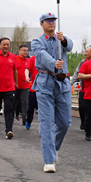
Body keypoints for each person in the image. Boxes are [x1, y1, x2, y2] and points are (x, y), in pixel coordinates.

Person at [31, 12, 73, 173]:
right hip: (45, 84)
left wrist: (63, 39)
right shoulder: (37, 42)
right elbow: (41, 55)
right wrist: (54, 63)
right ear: (41, 24)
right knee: (47, 123)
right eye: (47, 21)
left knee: (64, 123)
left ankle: (53, 148)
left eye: (53, 20)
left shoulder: (61, 39)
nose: (51, 23)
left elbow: (69, 47)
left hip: (62, 85)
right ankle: (49, 160)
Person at [70, 47, 91, 130]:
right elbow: (76, 73)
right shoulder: (82, 62)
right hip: (83, 89)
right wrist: (71, 83)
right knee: (82, 108)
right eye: (85, 52)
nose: (86, 53)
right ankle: (83, 122)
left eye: (87, 52)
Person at [13, 44, 31, 126]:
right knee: (14, 102)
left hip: (25, 85)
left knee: (25, 102)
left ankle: (24, 118)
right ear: (19, 51)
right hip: (15, 85)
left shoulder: (29, 60)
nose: (25, 52)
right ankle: (11, 117)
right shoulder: (15, 59)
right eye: (24, 50)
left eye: (27, 50)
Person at [25, 52, 38, 130]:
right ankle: (29, 121)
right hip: (34, 88)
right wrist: (26, 76)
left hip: (46, 89)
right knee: (31, 107)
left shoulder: (50, 58)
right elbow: (27, 69)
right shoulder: (33, 58)